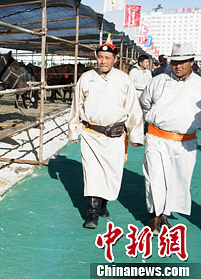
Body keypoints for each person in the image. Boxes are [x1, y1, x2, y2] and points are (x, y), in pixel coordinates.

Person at [68, 39, 144, 229]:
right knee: (92, 173)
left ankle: (103, 204)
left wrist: (135, 135)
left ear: (115, 59)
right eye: (100, 57)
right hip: (91, 134)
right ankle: (91, 214)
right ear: (96, 58)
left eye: (107, 58)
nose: (103, 61)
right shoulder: (86, 77)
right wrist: (73, 129)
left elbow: (133, 108)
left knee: (111, 173)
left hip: (115, 136)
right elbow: (76, 105)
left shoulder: (124, 79)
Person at [139, 42, 201, 234]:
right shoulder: (158, 81)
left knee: (176, 181)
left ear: (192, 62)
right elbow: (145, 103)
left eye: (183, 62)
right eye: (175, 62)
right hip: (158, 138)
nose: (178, 66)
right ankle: (154, 216)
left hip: (186, 142)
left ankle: (164, 215)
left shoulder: (199, 84)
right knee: (155, 177)